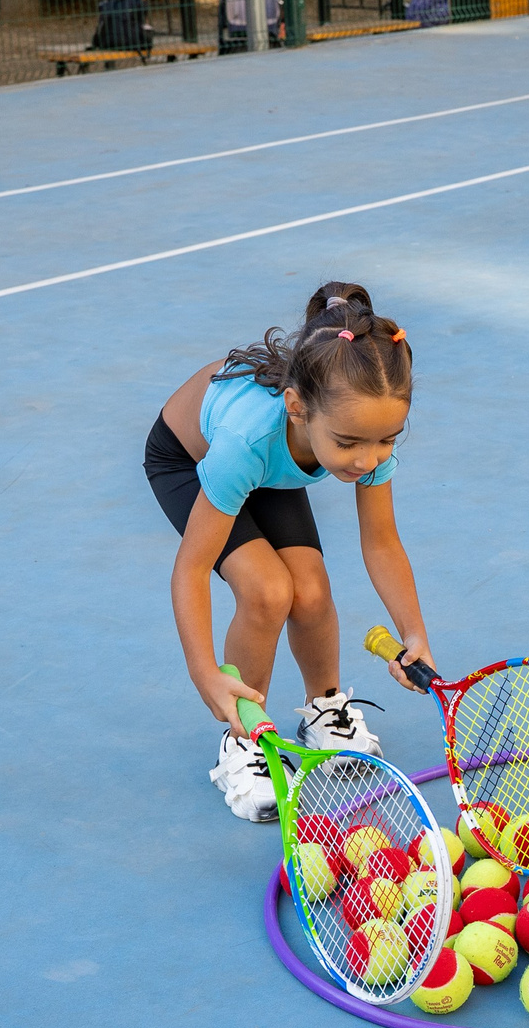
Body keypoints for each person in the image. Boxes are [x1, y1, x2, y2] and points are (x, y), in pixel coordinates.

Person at [145, 286, 438, 821]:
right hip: (191, 462)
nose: (368, 459)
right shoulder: (247, 441)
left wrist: (414, 633)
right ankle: (245, 741)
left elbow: (381, 542)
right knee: (267, 590)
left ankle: (324, 710)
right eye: (349, 443)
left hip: (273, 468)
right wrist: (204, 671)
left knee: (311, 589)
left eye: (387, 440)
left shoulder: (360, 435)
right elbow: (190, 567)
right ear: (299, 408)